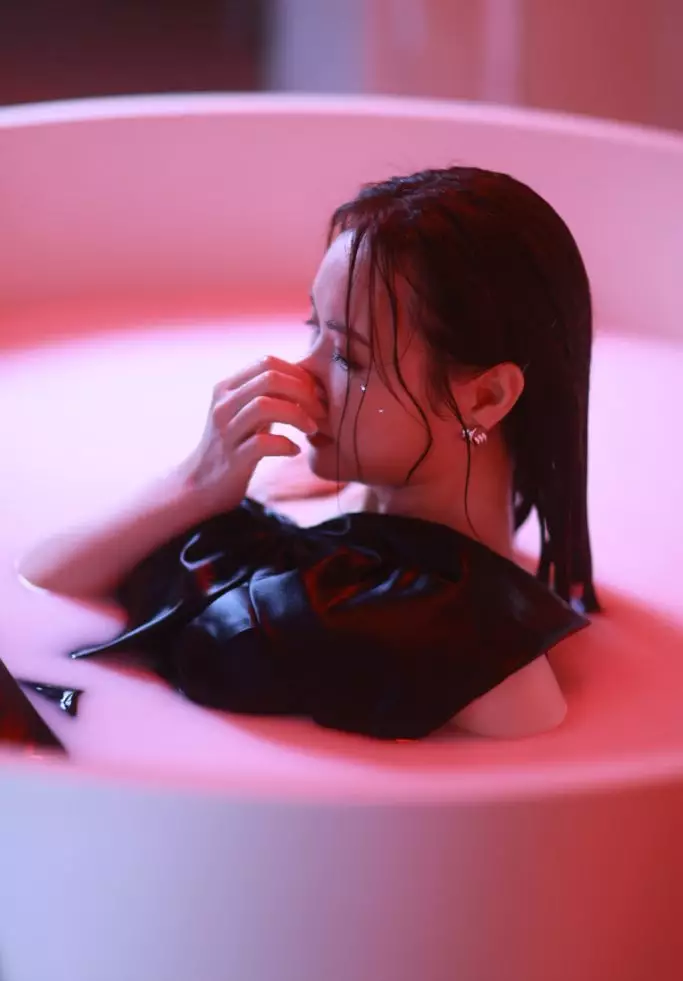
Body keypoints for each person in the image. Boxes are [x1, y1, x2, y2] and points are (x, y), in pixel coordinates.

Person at [20, 166, 599, 741]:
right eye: (313, 327)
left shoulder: (489, 666)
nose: (301, 372)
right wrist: (196, 482)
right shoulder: (311, 487)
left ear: (485, 398)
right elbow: (40, 582)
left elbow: (51, 587)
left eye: (348, 356)